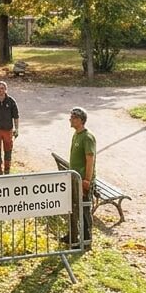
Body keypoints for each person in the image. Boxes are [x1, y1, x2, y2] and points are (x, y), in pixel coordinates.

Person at [66, 106, 96, 248]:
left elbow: (90, 159)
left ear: (80, 120)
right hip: (75, 178)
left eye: (73, 117)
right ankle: (73, 235)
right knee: (74, 207)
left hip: (83, 180)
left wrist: (87, 180)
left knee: (84, 210)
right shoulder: (76, 135)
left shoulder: (87, 137)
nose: (70, 119)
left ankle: (86, 239)